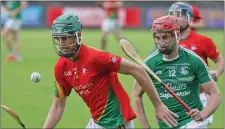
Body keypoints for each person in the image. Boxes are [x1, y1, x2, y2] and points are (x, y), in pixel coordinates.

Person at [42, 14, 178, 129]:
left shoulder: (96, 58)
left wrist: (158, 105)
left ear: (78, 36)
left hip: (117, 122)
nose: (61, 43)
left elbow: (137, 70)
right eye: (58, 38)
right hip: (97, 122)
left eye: (65, 38)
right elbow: (58, 106)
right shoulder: (61, 67)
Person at [132, 15, 221, 129]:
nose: (161, 43)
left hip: (193, 123)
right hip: (166, 125)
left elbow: (215, 94)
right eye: (157, 38)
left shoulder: (193, 60)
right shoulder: (149, 64)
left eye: (165, 37)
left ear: (177, 35)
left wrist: (203, 114)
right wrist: (146, 127)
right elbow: (136, 95)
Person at [168, 2, 224, 125]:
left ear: (190, 18)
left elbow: (220, 60)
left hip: (201, 97)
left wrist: (217, 72)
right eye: (172, 14)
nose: (175, 18)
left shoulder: (203, 41)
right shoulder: (166, 44)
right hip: (176, 98)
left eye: (180, 15)